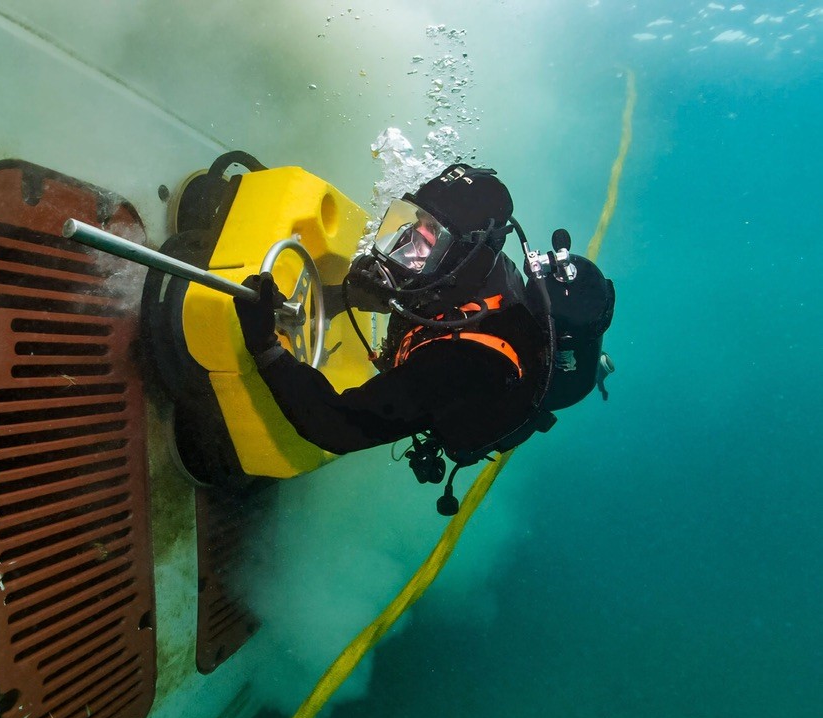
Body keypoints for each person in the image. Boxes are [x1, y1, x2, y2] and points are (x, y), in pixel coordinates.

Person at [233, 165, 615, 512]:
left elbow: (332, 426)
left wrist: (264, 344)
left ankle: (594, 367)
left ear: (463, 253)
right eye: (416, 222)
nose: (408, 242)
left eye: (430, 237)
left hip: (470, 396)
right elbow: (417, 292)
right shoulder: (477, 266)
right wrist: (337, 299)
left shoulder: (460, 364)